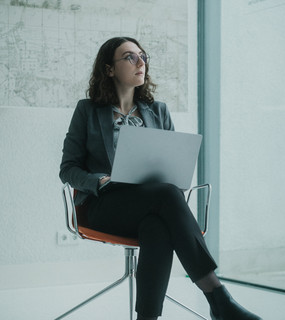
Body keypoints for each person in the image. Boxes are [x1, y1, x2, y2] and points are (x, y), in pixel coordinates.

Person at [59, 36, 262, 320]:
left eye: (143, 56)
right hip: (104, 206)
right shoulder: (87, 110)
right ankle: (218, 299)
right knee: (166, 196)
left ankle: (148, 318)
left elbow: (172, 165)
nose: (141, 62)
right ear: (109, 69)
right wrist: (100, 181)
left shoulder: (158, 111)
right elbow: (67, 168)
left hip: (153, 203)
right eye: (130, 57)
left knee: (157, 225)